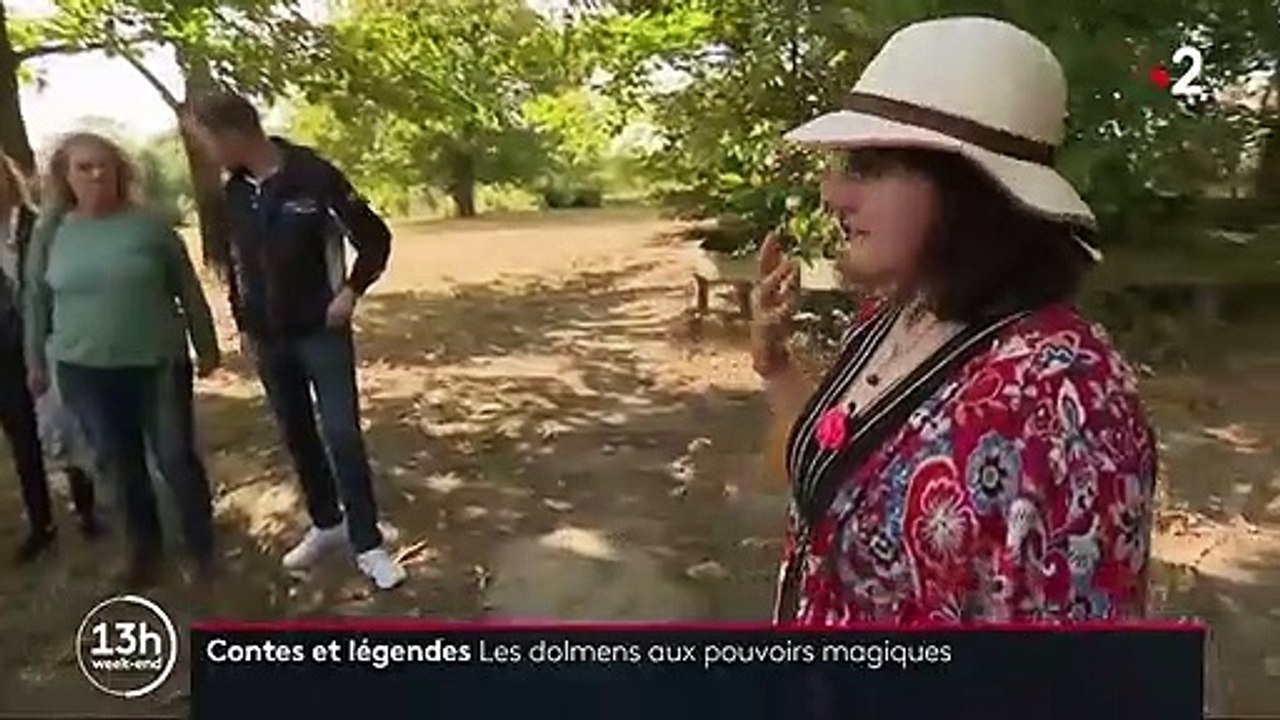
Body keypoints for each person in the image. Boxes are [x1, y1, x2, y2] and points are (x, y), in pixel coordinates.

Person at [755, 17, 1157, 625]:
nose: (833, 192)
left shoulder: (1068, 397)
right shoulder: (896, 317)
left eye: (871, 167)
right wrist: (774, 360)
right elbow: (834, 486)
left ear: (971, 192)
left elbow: (1076, 677)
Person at [186, 92, 406, 590]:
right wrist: (243, 324)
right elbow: (234, 265)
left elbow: (375, 238)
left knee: (341, 435)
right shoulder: (234, 192)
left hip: (319, 332)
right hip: (268, 338)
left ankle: (367, 542)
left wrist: (350, 291)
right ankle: (327, 523)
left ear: (233, 134)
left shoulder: (314, 175)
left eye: (207, 142)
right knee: (297, 433)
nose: (206, 154)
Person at [24, 131, 222, 587]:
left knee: (174, 457)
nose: (96, 175)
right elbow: (35, 298)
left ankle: (201, 548)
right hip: (83, 369)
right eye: (84, 167)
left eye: (103, 165)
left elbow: (186, 288)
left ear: (119, 170)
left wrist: (205, 342)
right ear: (65, 177)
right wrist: (35, 361)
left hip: (156, 362)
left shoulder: (149, 226)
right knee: (116, 461)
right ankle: (142, 550)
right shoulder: (52, 232)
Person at [0, 151, 100, 563]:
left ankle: (88, 510)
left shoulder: (40, 226)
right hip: (3, 355)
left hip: (48, 343)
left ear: (9, 180)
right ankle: (41, 523)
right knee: (23, 438)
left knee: (68, 426)